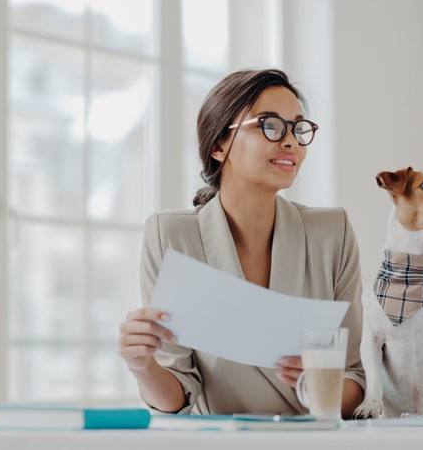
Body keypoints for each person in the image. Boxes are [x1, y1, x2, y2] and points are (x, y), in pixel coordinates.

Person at [117, 68, 365, 417]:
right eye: (270, 125)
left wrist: (319, 385)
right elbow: (177, 394)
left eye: (298, 127)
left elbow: (354, 379)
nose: (291, 141)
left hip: (309, 441)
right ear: (219, 145)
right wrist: (142, 365)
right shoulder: (170, 234)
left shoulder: (331, 232)